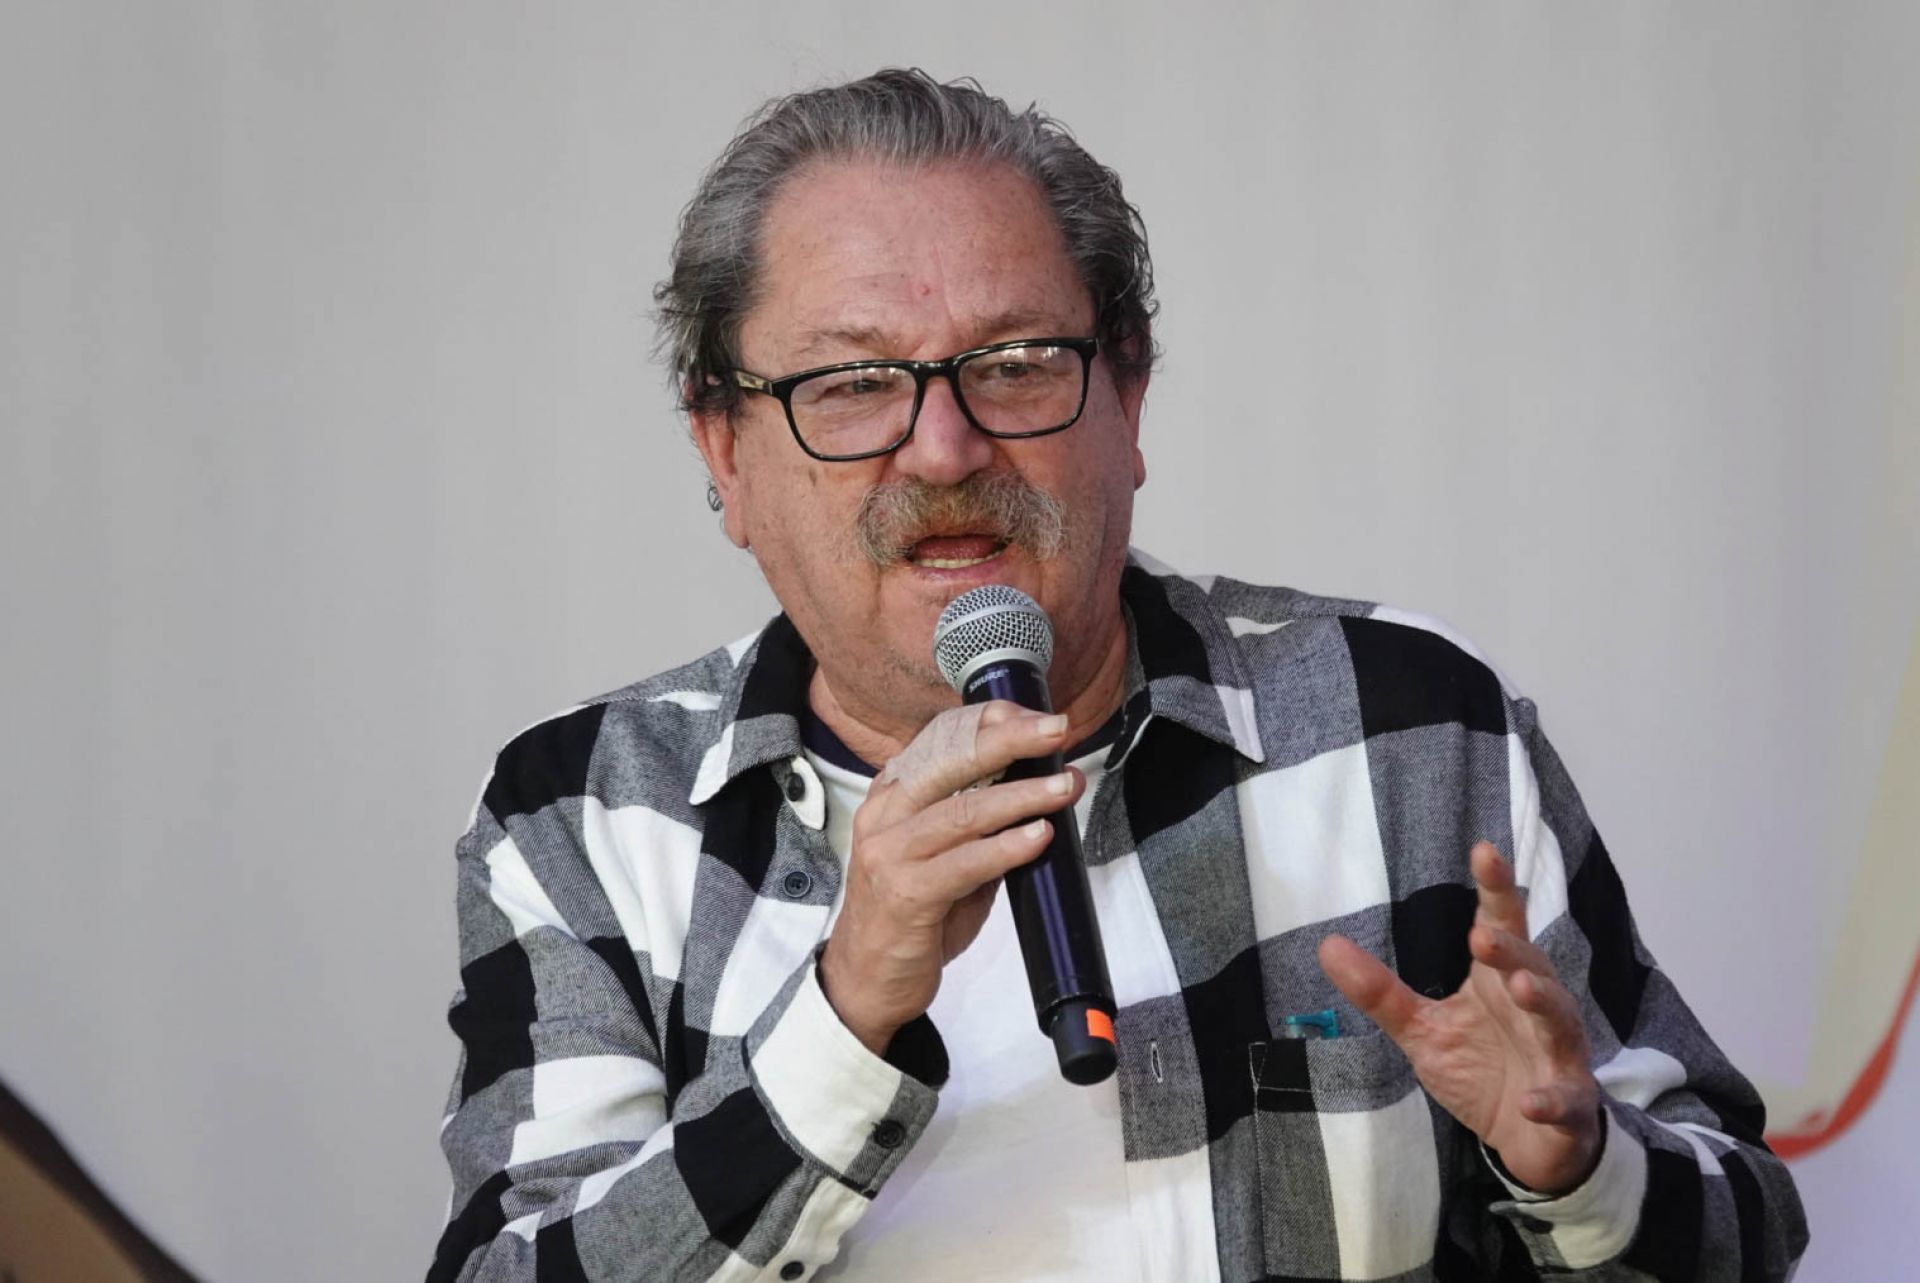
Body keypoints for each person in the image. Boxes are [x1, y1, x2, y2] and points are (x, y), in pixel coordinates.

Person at [430, 69, 1807, 1282]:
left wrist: (1577, 1168)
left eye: (1018, 365)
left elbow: (1751, 1233)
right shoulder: (591, 819)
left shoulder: (1408, 728)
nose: (944, 448)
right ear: (725, 456)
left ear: (1129, 399)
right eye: (852, 386)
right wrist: (846, 1018)